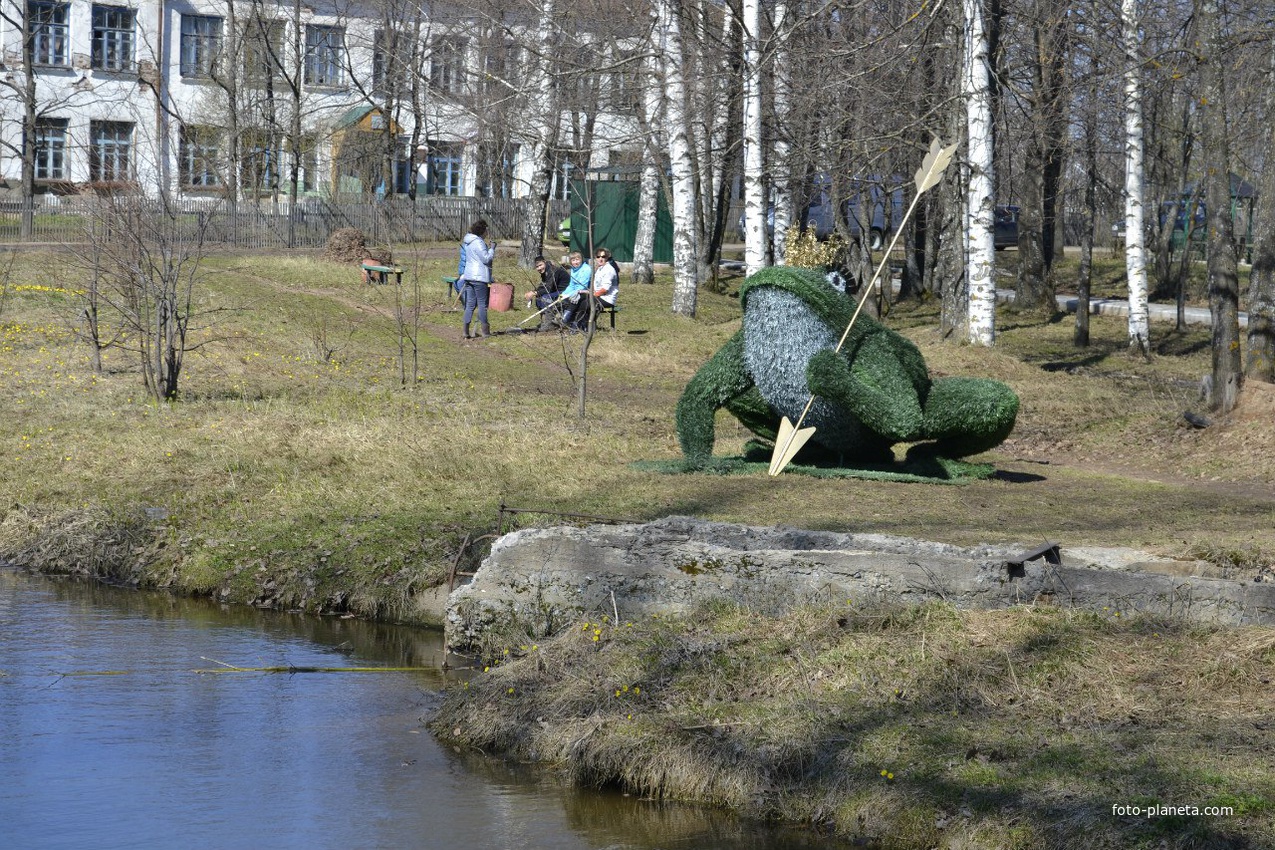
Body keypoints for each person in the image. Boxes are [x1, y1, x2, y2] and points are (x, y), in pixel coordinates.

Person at [458, 219, 495, 339]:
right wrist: (492, 249)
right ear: (482, 231)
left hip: (469, 276)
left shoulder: (468, 242)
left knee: (470, 304)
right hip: (479, 277)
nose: (487, 233)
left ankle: (465, 331)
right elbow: (486, 259)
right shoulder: (478, 242)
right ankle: (485, 331)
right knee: (482, 304)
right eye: (486, 231)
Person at [525, 256, 570, 331]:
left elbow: (548, 289)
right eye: (537, 267)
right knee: (539, 297)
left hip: (566, 291)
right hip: (556, 291)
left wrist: (534, 293)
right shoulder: (545, 271)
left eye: (540, 265)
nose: (539, 268)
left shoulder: (552, 270)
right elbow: (543, 285)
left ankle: (549, 324)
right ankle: (544, 321)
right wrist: (533, 292)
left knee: (545, 298)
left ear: (545, 262)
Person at [558, 251, 592, 330]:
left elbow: (582, 286)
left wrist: (569, 294)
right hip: (575, 291)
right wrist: (563, 294)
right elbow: (571, 285)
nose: (576, 262)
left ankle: (565, 319)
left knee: (575, 298)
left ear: (581, 259)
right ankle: (567, 320)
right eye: (573, 260)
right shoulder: (573, 270)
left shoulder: (586, 269)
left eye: (577, 259)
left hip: (585, 292)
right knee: (562, 299)